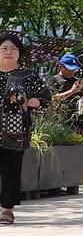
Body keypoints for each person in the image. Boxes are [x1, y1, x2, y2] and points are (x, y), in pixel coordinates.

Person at [0, 31, 51, 225]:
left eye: (13, 48)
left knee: (11, 169)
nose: (8, 52)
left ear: (19, 53)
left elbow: (45, 99)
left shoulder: (28, 75)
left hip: (15, 129)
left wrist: (28, 101)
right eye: (4, 48)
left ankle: (7, 209)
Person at [49, 52, 83, 130]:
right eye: (69, 69)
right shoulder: (54, 79)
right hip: (60, 119)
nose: (71, 72)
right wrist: (72, 91)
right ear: (61, 67)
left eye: (74, 70)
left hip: (76, 119)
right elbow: (54, 99)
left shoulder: (77, 81)